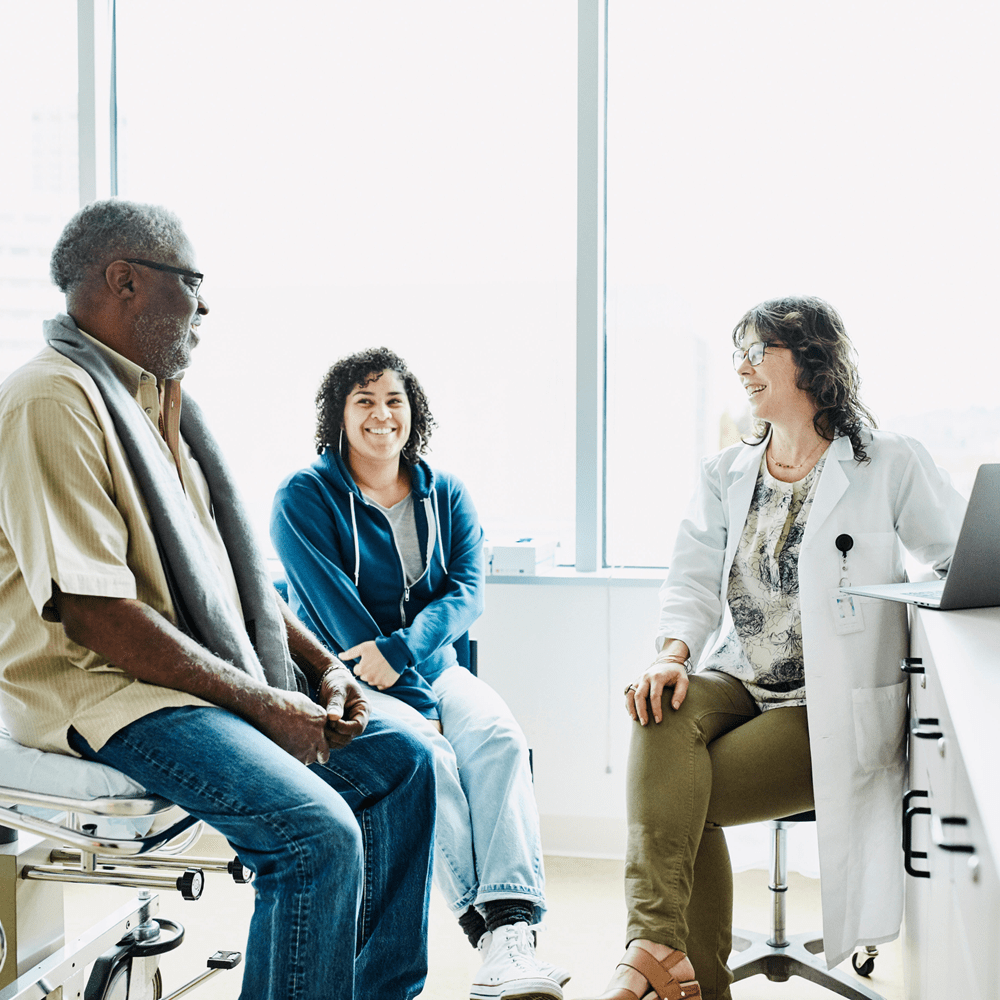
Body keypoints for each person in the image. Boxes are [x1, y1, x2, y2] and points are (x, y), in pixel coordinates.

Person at [0, 200, 436, 1000]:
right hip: (107, 691)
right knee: (314, 836)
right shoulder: (52, 402)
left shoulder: (160, 409)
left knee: (404, 763)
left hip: (176, 674)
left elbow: (234, 589)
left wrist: (322, 669)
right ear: (124, 281)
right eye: (191, 283)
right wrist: (268, 705)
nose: (205, 305)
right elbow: (97, 614)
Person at [579, 297, 967, 1000]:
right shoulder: (728, 471)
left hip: (826, 700)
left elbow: (958, 557)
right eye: (740, 353)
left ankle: (663, 960)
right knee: (658, 707)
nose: (742, 368)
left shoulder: (886, 463)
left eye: (758, 352)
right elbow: (692, 580)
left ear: (812, 362)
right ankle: (659, 946)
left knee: (677, 797)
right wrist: (672, 652)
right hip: (738, 674)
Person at [271, 347, 570, 1000]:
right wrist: (408, 691)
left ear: (415, 414)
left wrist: (408, 656)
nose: (382, 414)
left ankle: (511, 932)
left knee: (498, 739)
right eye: (364, 400)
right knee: (427, 754)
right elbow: (333, 614)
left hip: (433, 666)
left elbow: (467, 592)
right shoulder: (303, 497)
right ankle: (485, 925)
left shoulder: (446, 492)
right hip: (341, 679)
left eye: (394, 401)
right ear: (339, 415)